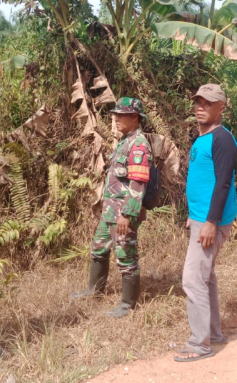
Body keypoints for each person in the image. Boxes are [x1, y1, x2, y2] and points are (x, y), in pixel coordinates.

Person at [70, 97, 151, 318]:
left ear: (134, 117)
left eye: (120, 115)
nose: (115, 119)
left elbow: (138, 182)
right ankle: (94, 291)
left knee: (126, 255)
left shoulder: (138, 144)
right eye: (114, 114)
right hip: (110, 212)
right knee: (98, 247)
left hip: (123, 213)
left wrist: (127, 214)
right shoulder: (124, 141)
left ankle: (127, 304)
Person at [176, 83, 237, 362]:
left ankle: (200, 344)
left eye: (208, 103)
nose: (201, 107)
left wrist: (211, 221)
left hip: (211, 222)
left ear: (221, 107)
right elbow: (204, 181)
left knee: (192, 279)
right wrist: (195, 215)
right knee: (206, 277)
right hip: (201, 219)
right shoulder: (203, 137)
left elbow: (223, 183)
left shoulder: (222, 139)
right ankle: (213, 334)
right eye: (198, 102)